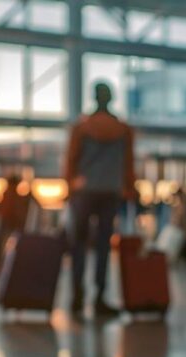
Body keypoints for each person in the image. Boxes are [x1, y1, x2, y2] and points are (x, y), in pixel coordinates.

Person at [64, 81, 136, 317]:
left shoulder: (82, 128)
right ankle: (99, 297)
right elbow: (128, 164)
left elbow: (71, 160)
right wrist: (129, 189)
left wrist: (69, 188)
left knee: (78, 244)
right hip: (110, 191)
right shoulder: (123, 130)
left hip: (83, 192)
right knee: (103, 246)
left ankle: (76, 295)